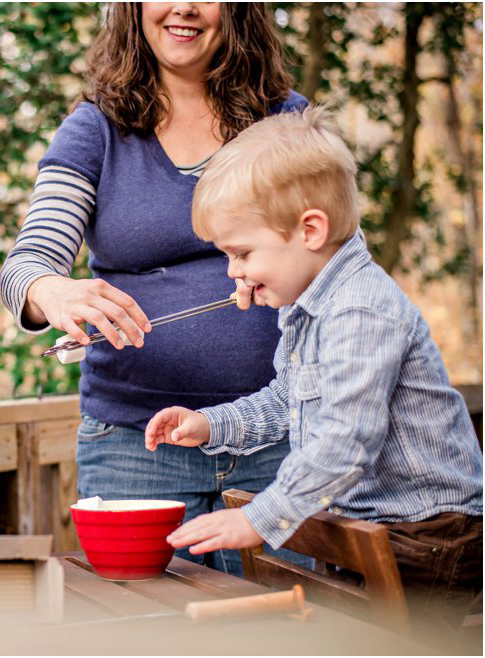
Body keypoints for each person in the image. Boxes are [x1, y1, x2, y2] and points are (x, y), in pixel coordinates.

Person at [146, 107, 483, 646]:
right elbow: (288, 400)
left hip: (427, 532)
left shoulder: (360, 311)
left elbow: (346, 441)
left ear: (309, 230)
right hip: (364, 526)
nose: (233, 271)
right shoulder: (310, 309)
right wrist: (211, 425)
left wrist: (259, 518)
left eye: (242, 253)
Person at [0, 2, 307, 575]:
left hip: (282, 446)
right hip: (137, 450)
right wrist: (51, 289)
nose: (184, 7)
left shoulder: (286, 123)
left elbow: (339, 257)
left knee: (285, 631)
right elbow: (28, 260)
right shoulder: (96, 128)